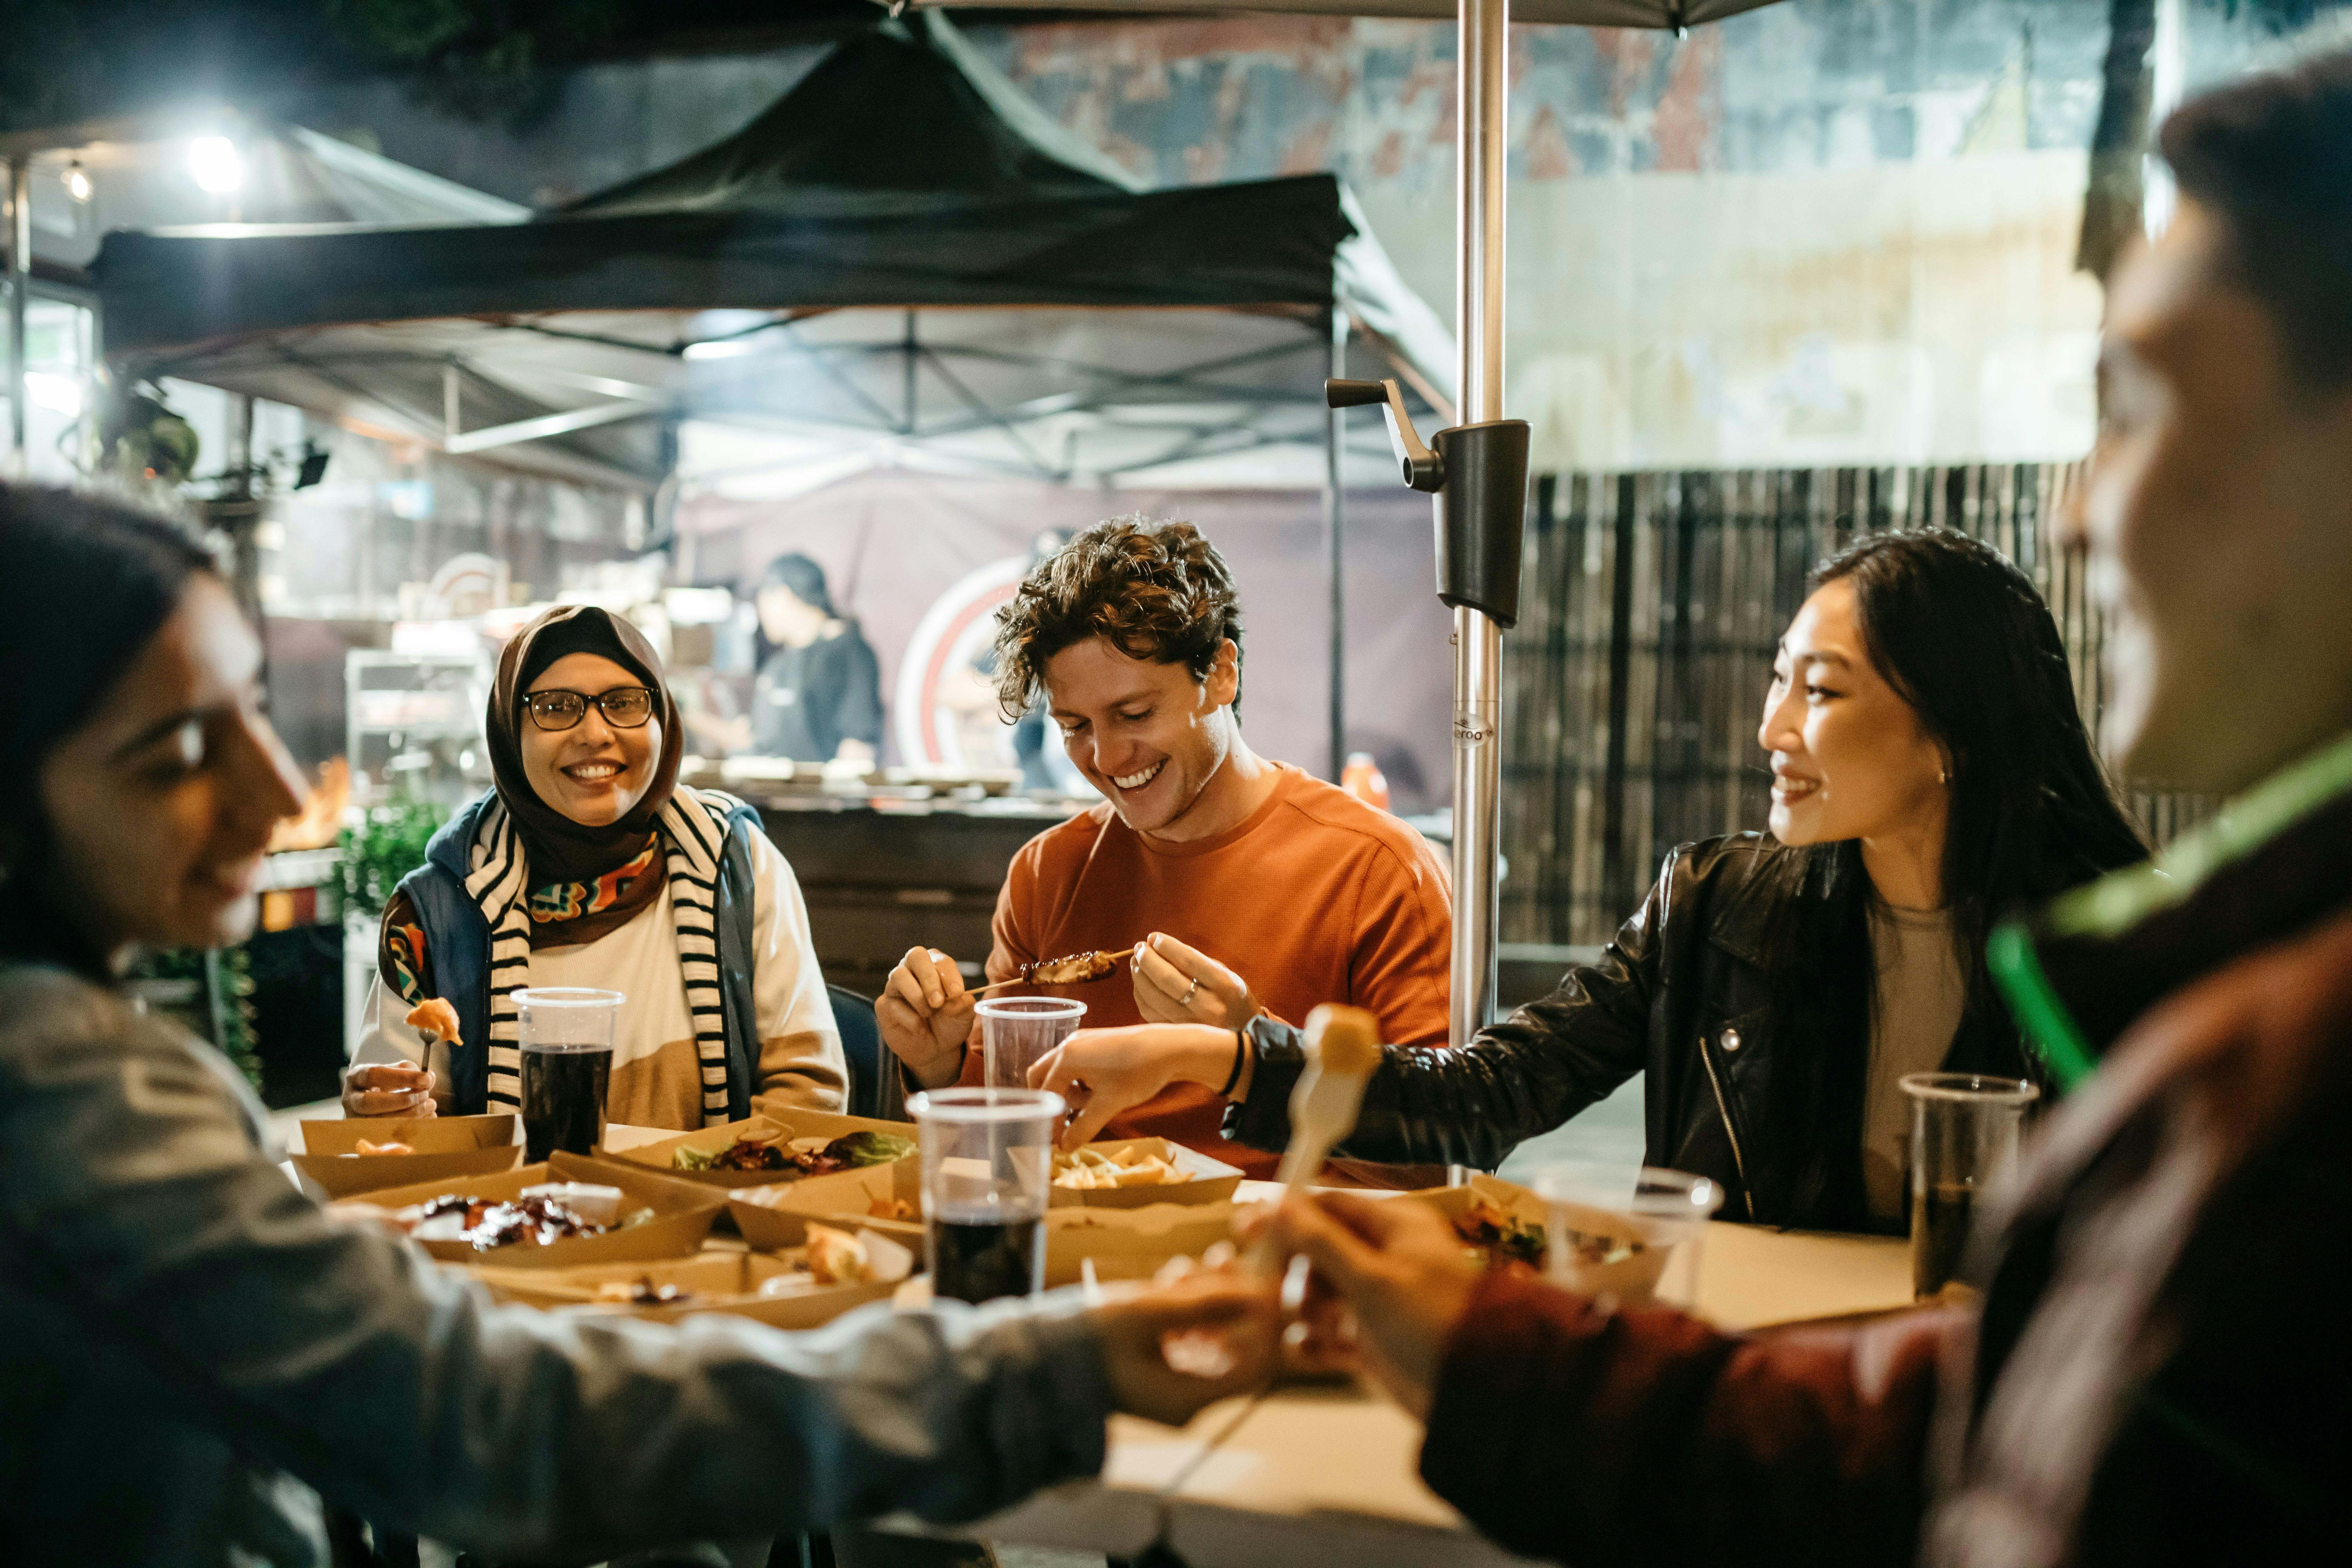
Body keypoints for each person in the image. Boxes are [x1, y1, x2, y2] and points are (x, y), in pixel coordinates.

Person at [1260, 52, 2352, 1566]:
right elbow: (1976, 1425)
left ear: (1954, 732)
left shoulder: (2221, 1016)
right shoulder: (1748, 901)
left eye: (2146, 403)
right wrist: (1245, 1079)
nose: (2078, 509)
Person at [0, 484, 1277, 1565]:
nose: (278, 789)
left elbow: (805, 1111)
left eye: (258, 711)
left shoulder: (727, 864)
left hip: (701, 1279)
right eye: (177, 745)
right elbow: (480, 1412)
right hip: (540, 1300)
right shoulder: (78, 1091)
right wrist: (1044, 1370)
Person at [1043, 529, 2145, 1230]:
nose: (1770, 727)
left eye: (1819, 691)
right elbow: (1480, 1099)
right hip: (1752, 1384)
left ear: (1948, 727)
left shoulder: (2128, 952)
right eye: (1775, 681)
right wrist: (1216, 1054)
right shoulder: (1716, 905)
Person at [878, 516, 1451, 1180]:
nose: (1108, 757)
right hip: (1084, 1254)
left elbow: (1437, 1162)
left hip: (1286, 1258)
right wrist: (938, 1062)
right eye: (1075, 726)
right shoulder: (1049, 872)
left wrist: (1252, 1055)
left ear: (1222, 675)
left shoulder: (1377, 869)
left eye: (1135, 714)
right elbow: (996, 1152)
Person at [343, 602, 848, 1129]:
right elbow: (398, 1131)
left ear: (662, 718)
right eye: (557, 707)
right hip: (504, 1210)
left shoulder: (736, 866)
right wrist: (383, 1110)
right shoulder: (437, 915)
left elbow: (807, 1092)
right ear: (509, 733)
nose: (595, 733)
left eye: (623, 702)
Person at [744, 552, 883, 765]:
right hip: (763, 796)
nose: (760, 613)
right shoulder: (778, 665)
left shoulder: (849, 652)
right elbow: (755, 739)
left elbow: (858, 748)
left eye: (761, 600)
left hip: (819, 797)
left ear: (783, 595)